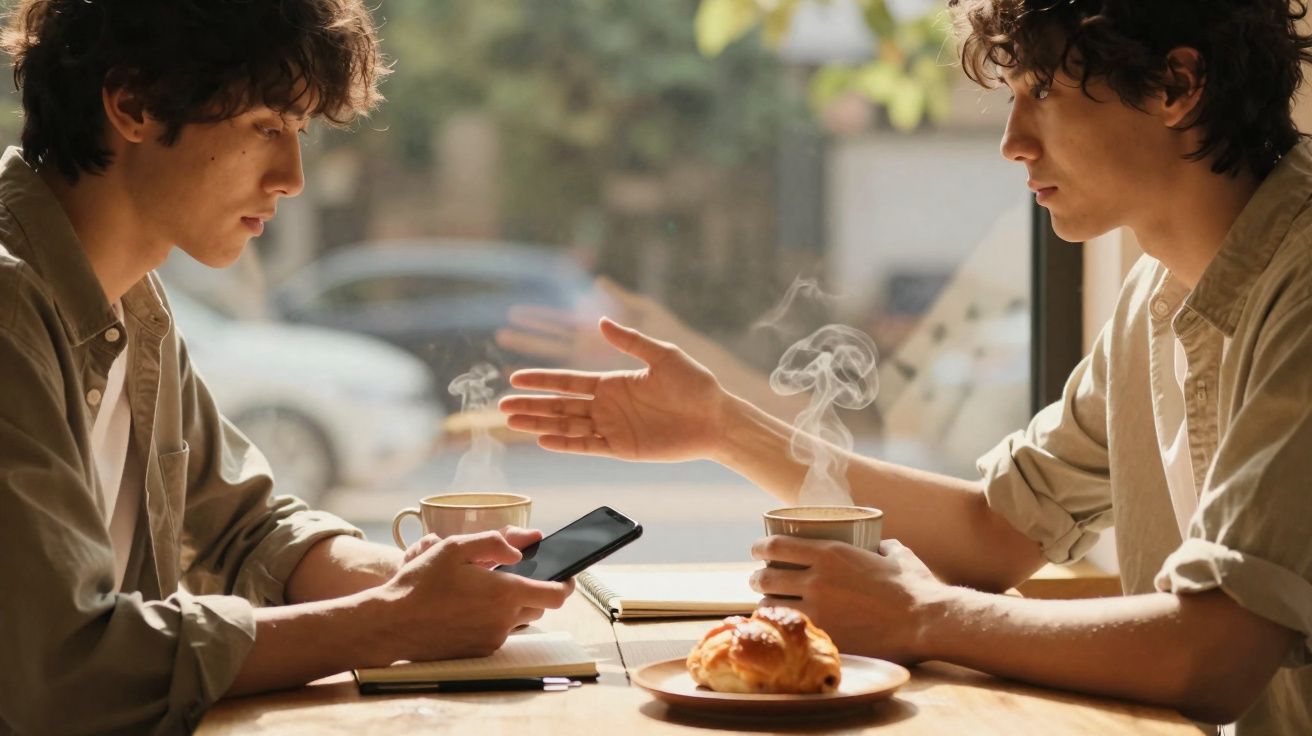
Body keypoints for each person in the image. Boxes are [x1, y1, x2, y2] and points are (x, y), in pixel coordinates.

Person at [498, 1, 1312, 733]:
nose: (1012, 141)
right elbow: (996, 532)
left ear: (1176, 87)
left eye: (1043, 94)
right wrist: (723, 428)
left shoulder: (1301, 281)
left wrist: (926, 618)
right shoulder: (1156, 294)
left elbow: (1217, 653)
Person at [0, 1, 571, 733]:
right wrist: (392, 620)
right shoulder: (13, 308)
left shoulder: (133, 305)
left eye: (298, 133)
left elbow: (244, 529)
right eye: (266, 127)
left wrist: (421, 583)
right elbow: (61, 667)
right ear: (133, 104)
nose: (292, 176)